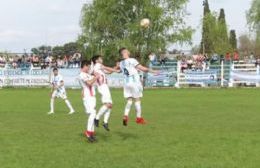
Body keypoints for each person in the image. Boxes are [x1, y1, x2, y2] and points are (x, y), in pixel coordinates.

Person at [117, 48, 158, 126]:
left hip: (126, 84)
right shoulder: (132, 60)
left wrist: (107, 69)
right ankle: (138, 118)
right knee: (137, 100)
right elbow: (143, 68)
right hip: (134, 83)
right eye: (127, 50)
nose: (129, 51)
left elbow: (118, 71)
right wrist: (153, 71)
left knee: (129, 100)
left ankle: (125, 116)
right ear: (125, 52)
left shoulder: (121, 63)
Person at [91, 55, 119, 131]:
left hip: (105, 86)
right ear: (96, 61)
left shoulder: (99, 68)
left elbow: (109, 72)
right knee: (108, 104)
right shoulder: (97, 65)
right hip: (102, 86)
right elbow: (106, 68)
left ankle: (105, 122)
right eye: (100, 58)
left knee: (110, 105)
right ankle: (96, 118)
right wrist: (116, 70)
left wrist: (116, 67)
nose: (102, 59)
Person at [79, 60, 99, 142]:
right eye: (89, 66)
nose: (89, 68)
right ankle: (88, 132)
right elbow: (89, 83)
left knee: (92, 114)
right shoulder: (81, 75)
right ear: (85, 66)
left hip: (91, 96)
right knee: (92, 113)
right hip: (87, 96)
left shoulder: (87, 74)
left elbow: (94, 82)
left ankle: (91, 134)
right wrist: (96, 77)